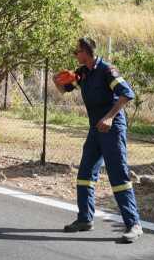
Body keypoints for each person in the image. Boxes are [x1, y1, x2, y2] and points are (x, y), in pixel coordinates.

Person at [53, 37, 143, 243]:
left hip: (112, 129)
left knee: (118, 176)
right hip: (95, 130)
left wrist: (110, 118)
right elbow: (63, 90)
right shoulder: (83, 72)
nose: (75, 55)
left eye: (77, 51)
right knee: (85, 174)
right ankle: (85, 219)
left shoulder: (106, 70)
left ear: (86, 51)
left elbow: (127, 94)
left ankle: (134, 225)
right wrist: (56, 80)